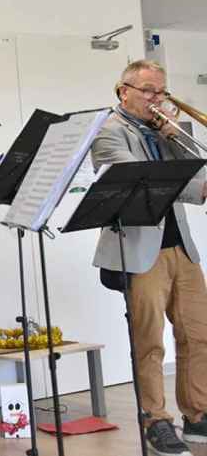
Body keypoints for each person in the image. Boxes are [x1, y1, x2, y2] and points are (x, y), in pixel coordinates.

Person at [91, 59, 207, 456]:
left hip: (181, 246)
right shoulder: (108, 130)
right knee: (149, 342)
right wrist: (171, 138)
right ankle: (156, 420)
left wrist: (201, 185)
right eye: (149, 91)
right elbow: (138, 178)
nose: (158, 99)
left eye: (162, 91)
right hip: (141, 249)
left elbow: (190, 179)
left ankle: (198, 415)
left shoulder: (164, 132)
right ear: (123, 90)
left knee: (198, 334)